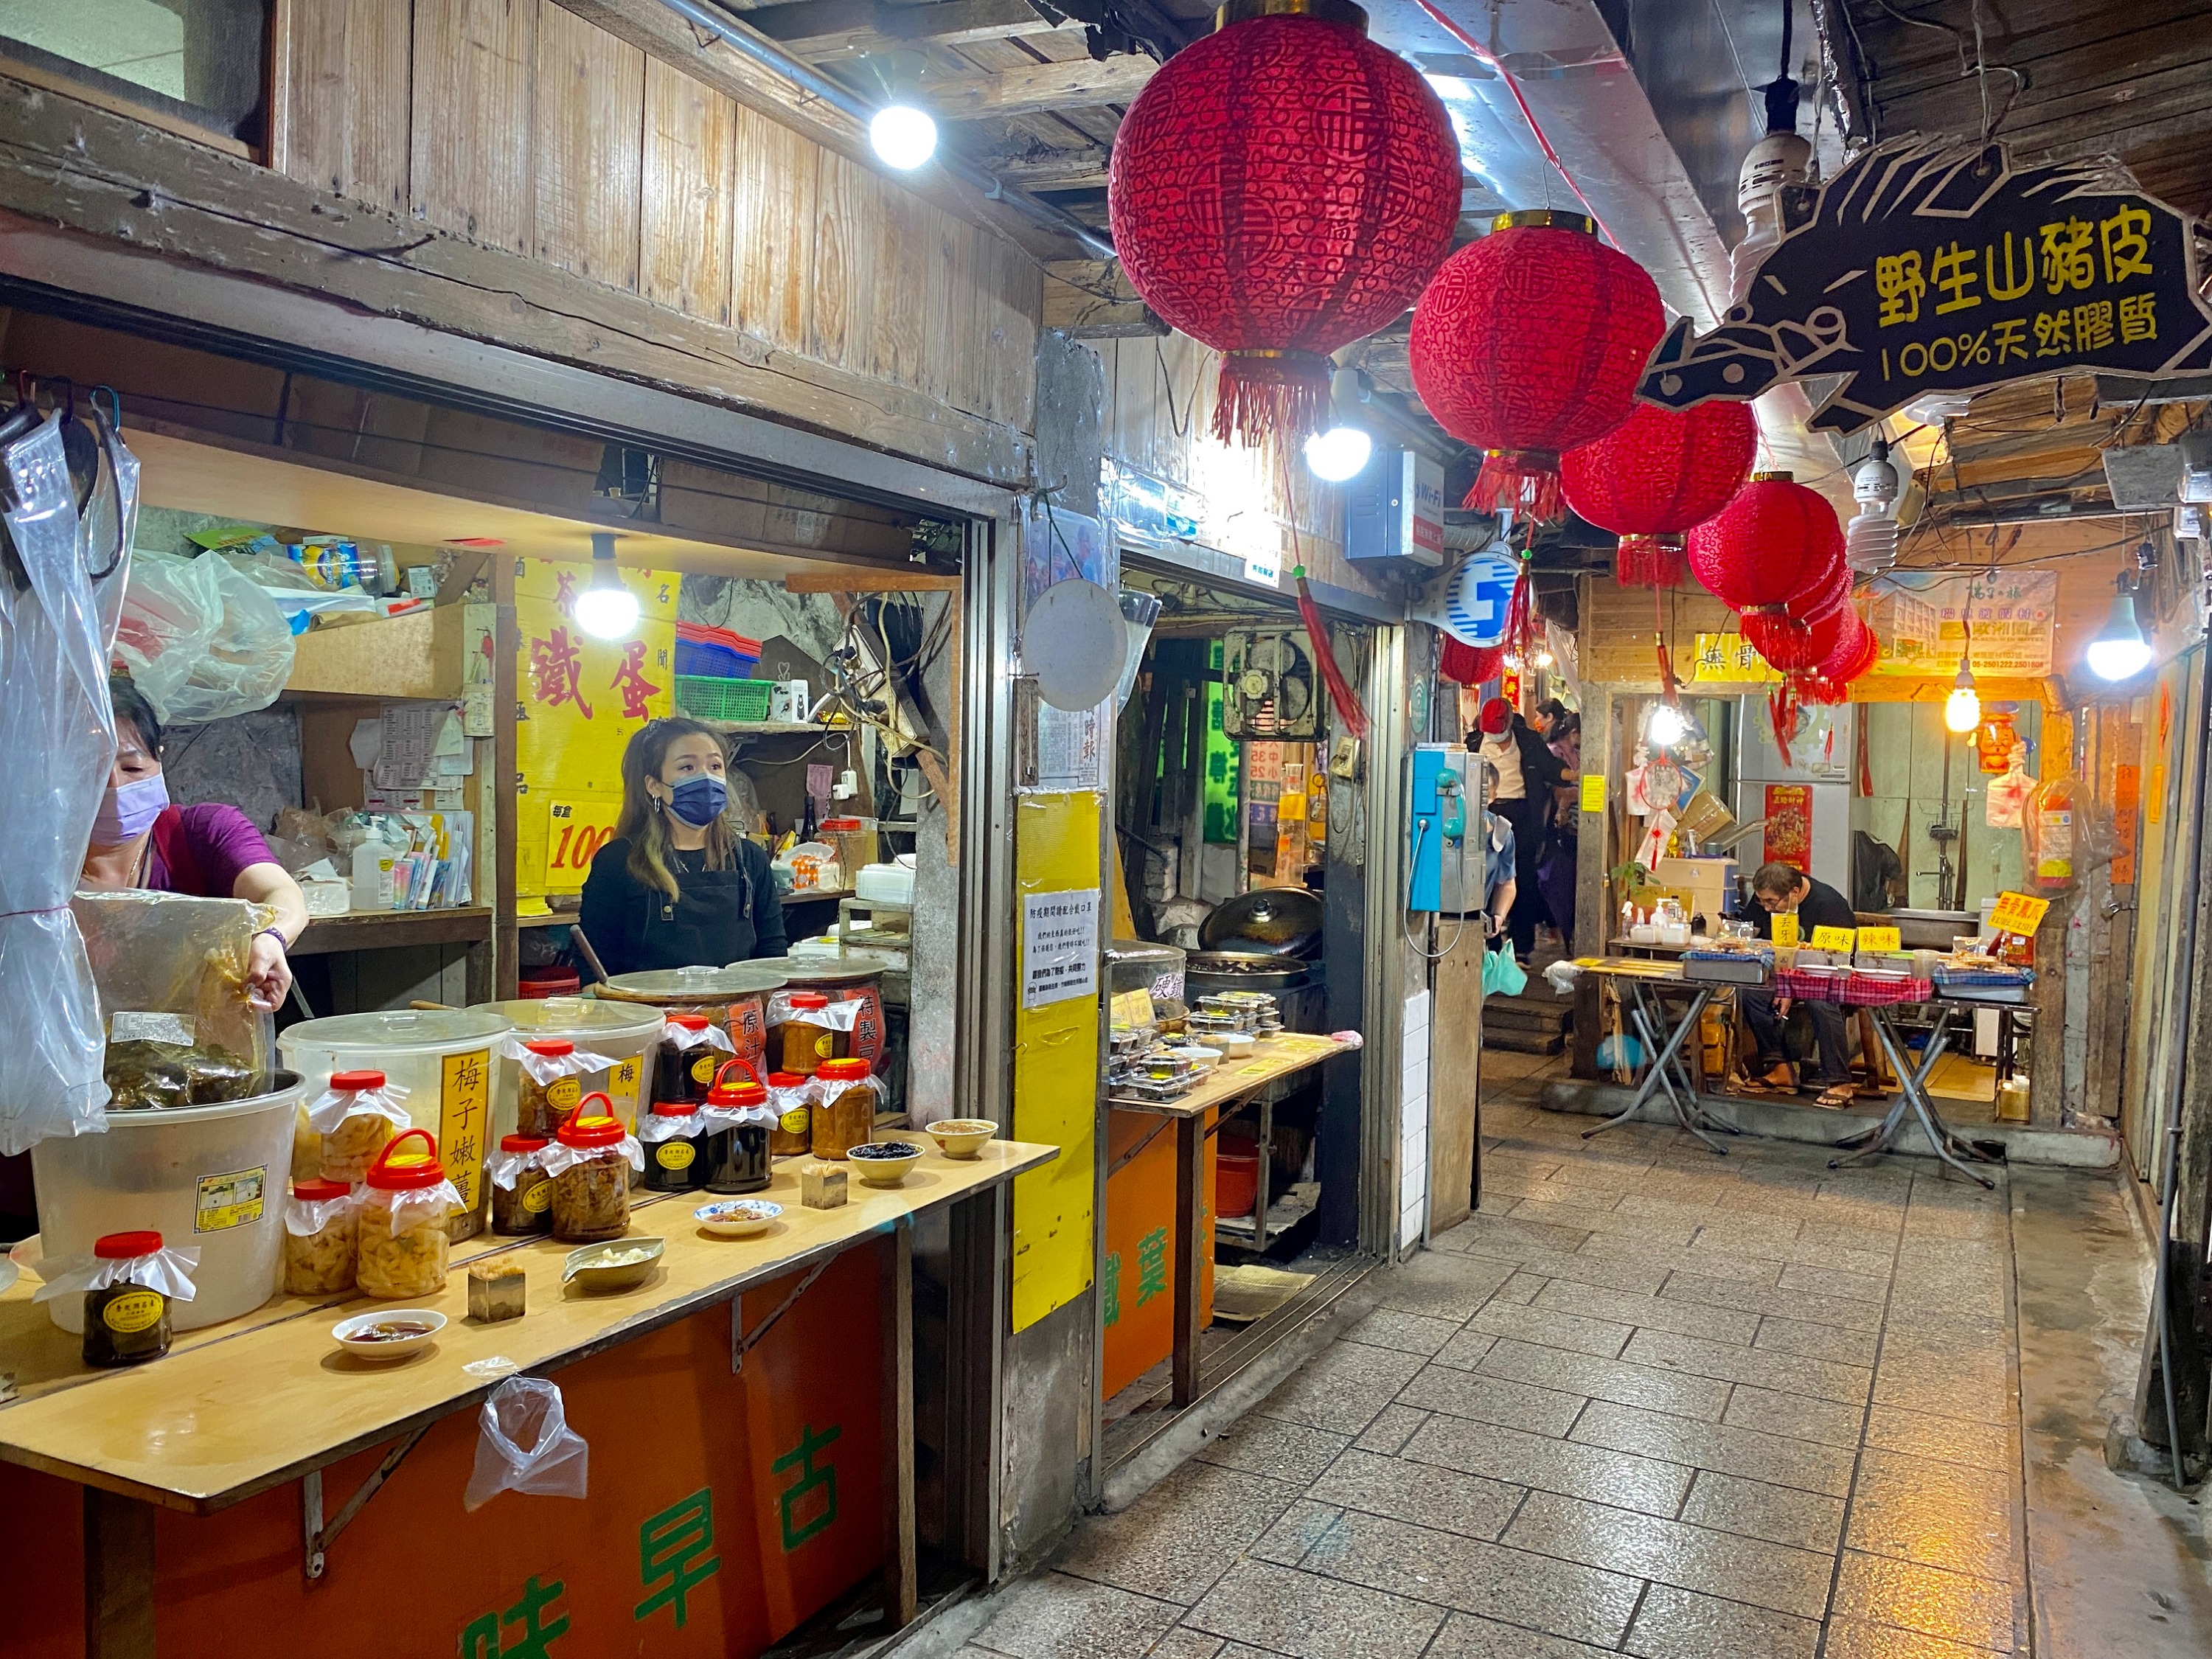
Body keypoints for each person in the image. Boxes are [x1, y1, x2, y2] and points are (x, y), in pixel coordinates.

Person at [78, 676, 307, 1012]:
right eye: (93, 772)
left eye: (133, 767)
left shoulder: (204, 830)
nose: (115, 787)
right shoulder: (35, 860)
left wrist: (272, 938)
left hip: (202, 1050)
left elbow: (282, 896)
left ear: (159, 759)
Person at [580, 717, 787, 975]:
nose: (706, 777)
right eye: (687, 767)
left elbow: (773, 958)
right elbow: (595, 972)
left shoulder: (750, 859)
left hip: (735, 1012)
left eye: (715, 766)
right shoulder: (618, 861)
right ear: (654, 785)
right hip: (652, 1014)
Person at [1741, 860, 1859, 1107]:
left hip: (1827, 977)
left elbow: (1837, 959)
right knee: (1752, 992)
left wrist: (1794, 985)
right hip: (1781, 972)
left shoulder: (1829, 906)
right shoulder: (1765, 899)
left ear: (1794, 892)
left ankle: (1839, 1082)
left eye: (1772, 902)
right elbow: (1750, 933)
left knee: (1820, 1001)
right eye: (1761, 901)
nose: (1766, 908)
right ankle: (1780, 1068)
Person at [1471, 697, 1563, 957]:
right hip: (1484, 812)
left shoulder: (1528, 741)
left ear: (1511, 721)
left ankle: (1521, 947)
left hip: (1521, 815)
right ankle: (1489, 944)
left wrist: (1575, 774)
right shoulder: (1474, 743)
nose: (1496, 736)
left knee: (1521, 880)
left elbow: (1551, 768)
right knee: (1483, 877)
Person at [1536, 713, 1582, 950]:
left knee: (1566, 878)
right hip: (1560, 826)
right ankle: (1557, 929)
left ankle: (1563, 931)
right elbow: (1559, 791)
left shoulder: (1575, 753)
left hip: (1575, 825)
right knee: (1558, 879)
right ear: (1573, 732)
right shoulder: (1556, 752)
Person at [1477, 762, 1517, 950]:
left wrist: (1498, 917)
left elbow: (1507, 883)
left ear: (1493, 796)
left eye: (1483, 793)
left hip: (1478, 921)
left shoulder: (1501, 832)